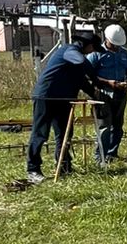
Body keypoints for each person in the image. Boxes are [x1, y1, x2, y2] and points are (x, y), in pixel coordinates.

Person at [26, 34, 102, 183]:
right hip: (46, 96)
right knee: (40, 133)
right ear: (86, 44)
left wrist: (95, 93)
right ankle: (33, 169)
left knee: (65, 134)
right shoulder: (69, 51)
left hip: (65, 99)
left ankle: (64, 166)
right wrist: (93, 75)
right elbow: (81, 61)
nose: (92, 51)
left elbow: (81, 81)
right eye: (93, 48)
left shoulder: (76, 62)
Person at [88, 23, 127, 165]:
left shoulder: (124, 53)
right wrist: (108, 83)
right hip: (102, 94)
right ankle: (100, 157)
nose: (116, 47)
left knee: (118, 126)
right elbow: (89, 75)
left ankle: (112, 154)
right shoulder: (96, 54)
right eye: (113, 44)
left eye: (118, 45)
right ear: (106, 39)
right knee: (104, 127)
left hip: (120, 93)